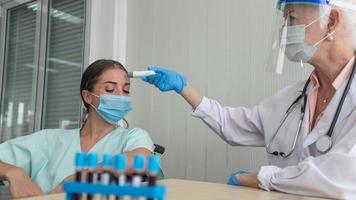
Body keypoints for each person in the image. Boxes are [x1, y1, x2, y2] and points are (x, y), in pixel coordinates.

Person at [141, 0, 356, 199]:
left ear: (331, 21)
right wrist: (184, 88)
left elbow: (343, 177)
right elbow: (234, 126)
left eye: (292, 19)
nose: (284, 32)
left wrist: (260, 178)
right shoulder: (294, 97)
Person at [0, 59, 154, 198]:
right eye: (109, 89)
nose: (121, 96)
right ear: (88, 97)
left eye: (126, 90)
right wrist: (14, 172)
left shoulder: (133, 137)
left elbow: (140, 161)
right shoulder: (49, 140)